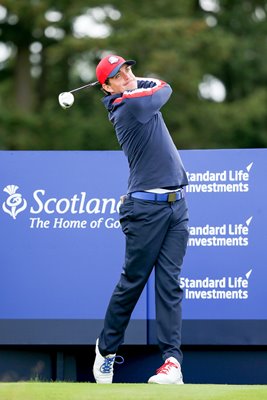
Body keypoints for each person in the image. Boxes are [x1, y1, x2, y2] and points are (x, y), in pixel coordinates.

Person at [93, 54, 189, 384]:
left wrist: (134, 82)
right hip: (145, 210)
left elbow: (153, 88)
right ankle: (105, 350)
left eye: (129, 70)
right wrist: (140, 83)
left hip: (177, 206)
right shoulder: (129, 106)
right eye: (120, 75)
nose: (129, 76)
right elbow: (164, 87)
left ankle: (171, 363)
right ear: (107, 87)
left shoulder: (133, 97)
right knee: (133, 283)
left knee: (169, 284)